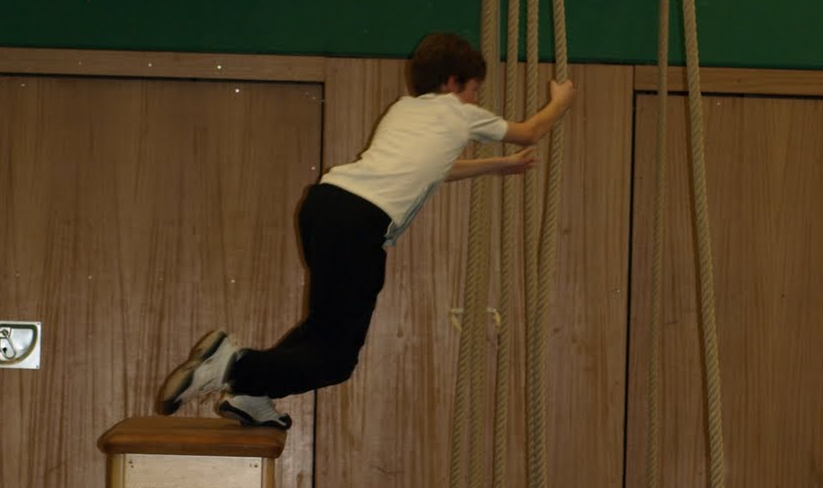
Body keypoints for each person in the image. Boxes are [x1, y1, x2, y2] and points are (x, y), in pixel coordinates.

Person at [157, 32, 576, 428]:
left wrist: (499, 165)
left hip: (324, 204)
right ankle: (233, 365)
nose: (474, 99)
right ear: (452, 83)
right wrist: (560, 101)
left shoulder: (403, 109)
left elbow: (434, 170)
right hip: (359, 222)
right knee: (337, 360)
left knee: (322, 329)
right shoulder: (458, 112)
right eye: (473, 89)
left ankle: (252, 395)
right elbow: (531, 131)